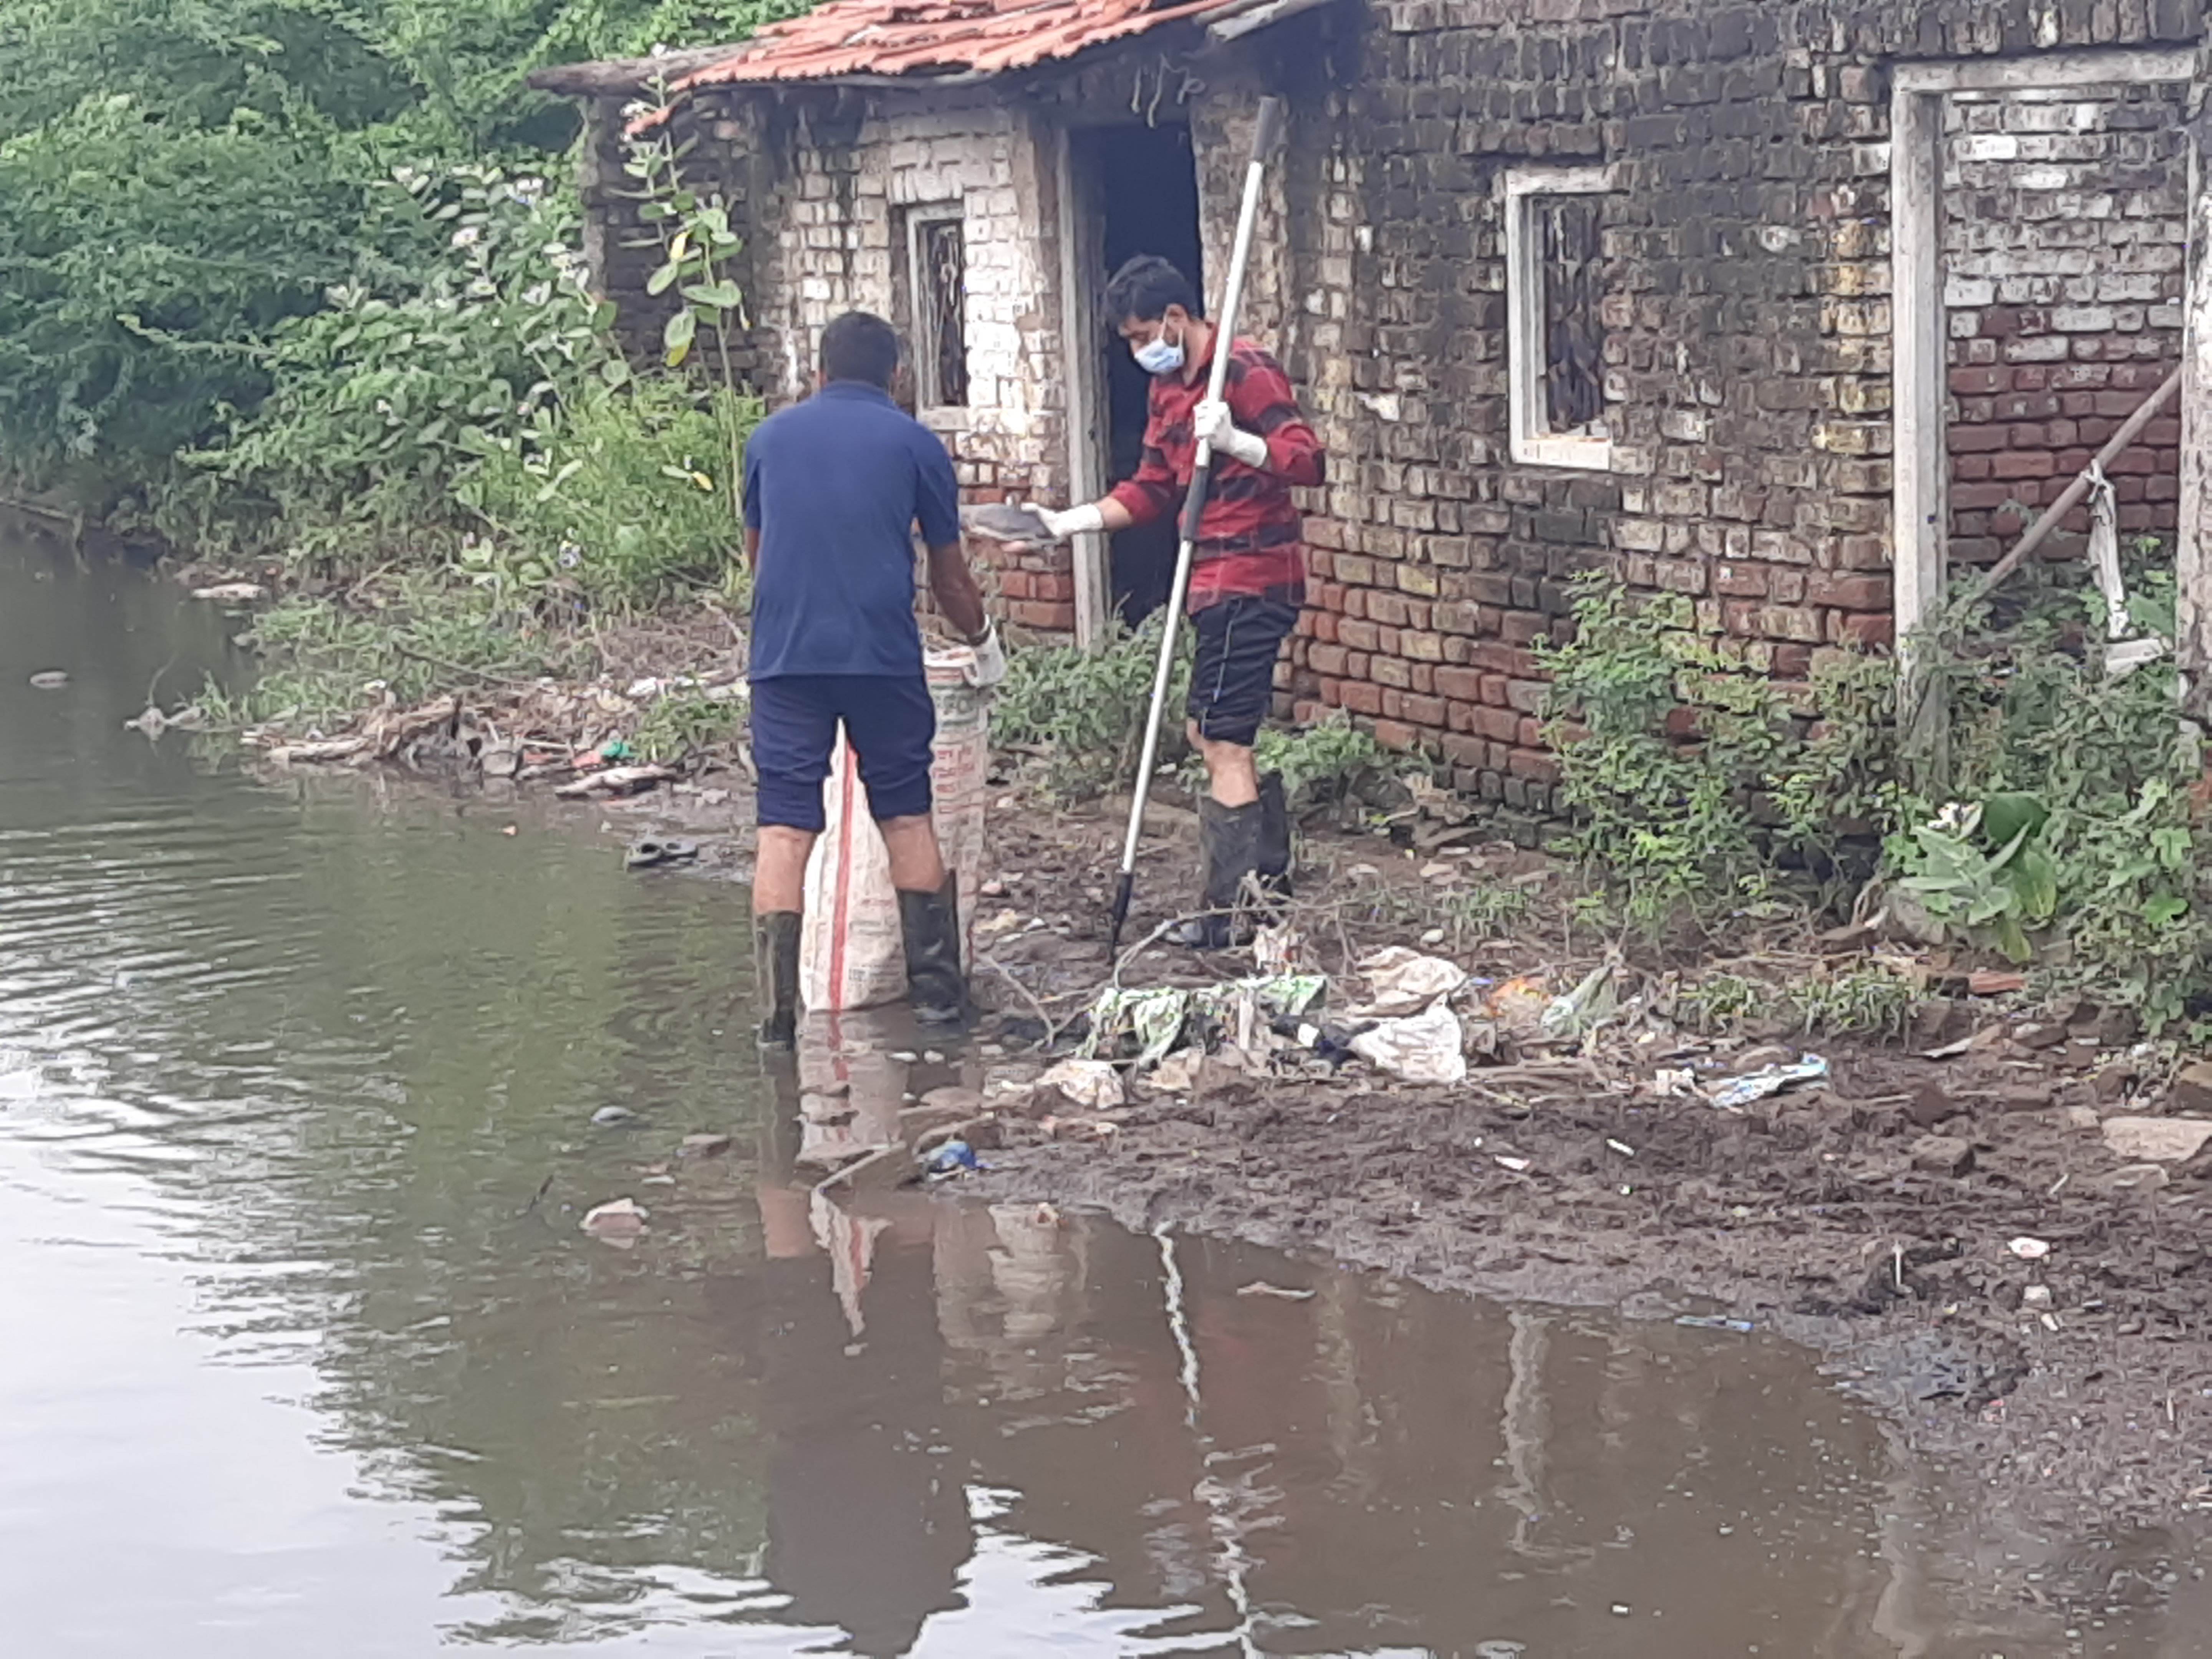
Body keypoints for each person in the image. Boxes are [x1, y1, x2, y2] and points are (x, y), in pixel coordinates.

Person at [1031, 254, 1325, 946]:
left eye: (1143, 336)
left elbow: (1306, 459)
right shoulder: (1167, 390)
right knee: (1212, 733)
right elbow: (1154, 487)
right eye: (1129, 343)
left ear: (1174, 318)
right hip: (1210, 581)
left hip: (1254, 574)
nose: (1140, 352)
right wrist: (1071, 522)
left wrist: (1236, 442)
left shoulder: (1242, 369)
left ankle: (1231, 917)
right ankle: (1267, 884)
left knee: (1223, 740)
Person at [744, 310, 1005, 1048]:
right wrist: (984, 645)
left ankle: (775, 1026)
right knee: (906, 817)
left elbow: (757, 561)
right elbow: (951, 580)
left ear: (818, 373)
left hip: (785, 661)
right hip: (882, 659)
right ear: (895, 377)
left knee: (785, 830)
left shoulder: (767, 439)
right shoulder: (916, 444)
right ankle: (938, 1009)